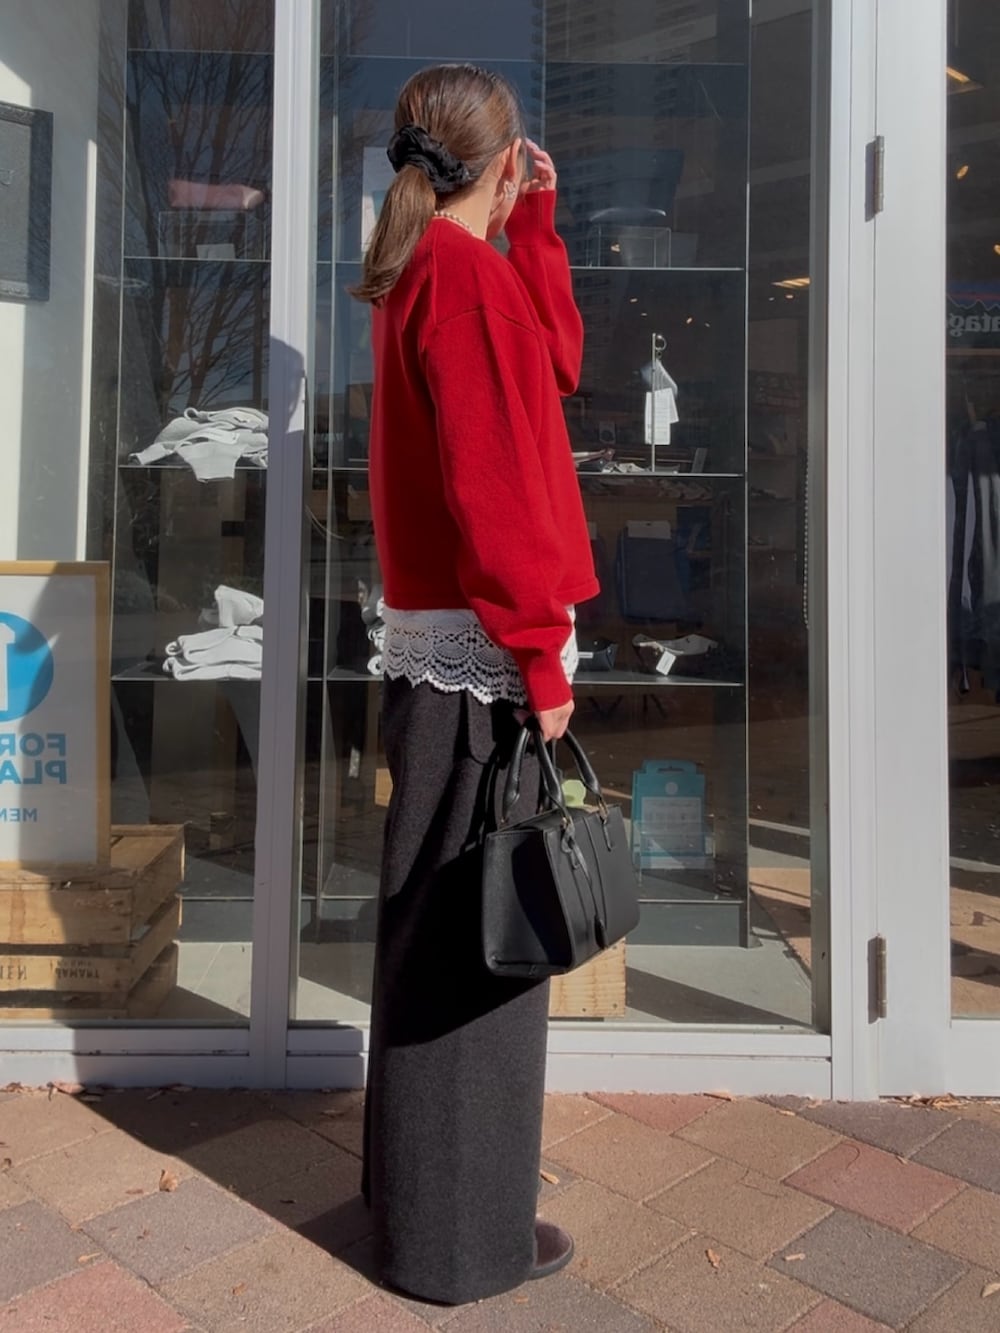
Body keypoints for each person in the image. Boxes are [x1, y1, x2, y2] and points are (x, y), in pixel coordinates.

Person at [352, 63, 599, 1306]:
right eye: (519, 173)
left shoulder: (427, 272)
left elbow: (553, 367)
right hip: (482, 662)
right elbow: (497, 493)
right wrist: (541, 654)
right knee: (479, 954)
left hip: (438, 648)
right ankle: (456, 1246)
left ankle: (416, 1213)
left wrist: (535, 227)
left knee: (434, 935)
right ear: (499, 162)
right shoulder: (463, 283)